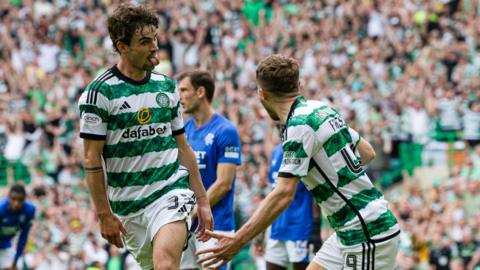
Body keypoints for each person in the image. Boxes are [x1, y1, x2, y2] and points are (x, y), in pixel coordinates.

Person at [197, 54, 400, 270]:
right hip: (348, 231)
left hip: (366, 233)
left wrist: (238, 240)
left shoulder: (298, 126)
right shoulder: (321, 109)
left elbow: (283, 194)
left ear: (261, 93)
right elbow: (367, 152)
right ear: (299, 85)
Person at [77, 4, 213, 270]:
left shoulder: (166, 86)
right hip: (128, 207)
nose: (154, 46)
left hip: (169, 192)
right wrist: (104, 215)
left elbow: (182, 147)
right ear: (123, 46)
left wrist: (203, 200)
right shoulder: (100, 94)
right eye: (144, 41)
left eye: (155, 39)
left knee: (166, 265)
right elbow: (91, 158)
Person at [177, 70, 241, 270]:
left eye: (184, 90)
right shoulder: (184, 130)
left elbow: (224, 184)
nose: (179, 96)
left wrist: (195, 212)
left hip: (215, 226)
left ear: (200, 92)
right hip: (187, 225)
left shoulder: (226, 131)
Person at [266, 141, 313, 270]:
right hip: (276, 228)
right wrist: (261, 232)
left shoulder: (304, 148)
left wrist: (315, 231)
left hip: (299, 229)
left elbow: (315, 192)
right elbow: (272, 192)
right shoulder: (275, 151)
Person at [0, 184, 36, 270]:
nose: (16, 203)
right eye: (13, 199)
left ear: (25, 199)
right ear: (8, 198)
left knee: (17, 267)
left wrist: (15, 260)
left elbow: (23, 236)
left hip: (5, 245)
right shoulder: (1, 209)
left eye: (20, 200)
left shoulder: (29, 210)